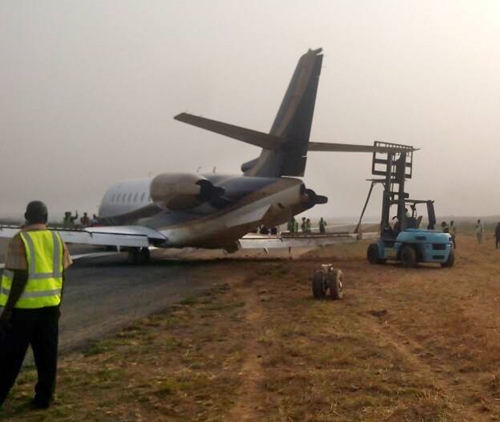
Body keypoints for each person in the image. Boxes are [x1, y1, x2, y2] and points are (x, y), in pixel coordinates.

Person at [0, 201, 72, 409]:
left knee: (9, 358)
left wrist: (7, 311)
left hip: (23, 310)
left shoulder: (20, 239)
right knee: (47, 356)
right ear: (46, 217)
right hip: (49, 308)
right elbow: (62, 274)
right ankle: (44, 398)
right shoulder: (57, 239)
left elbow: (19, 276)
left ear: (26, 216)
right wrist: (58, 302)